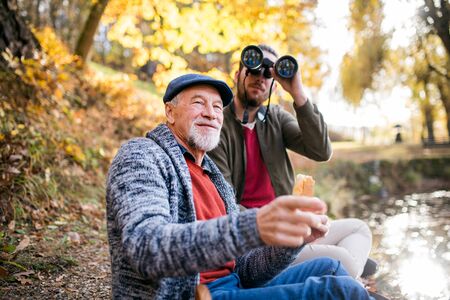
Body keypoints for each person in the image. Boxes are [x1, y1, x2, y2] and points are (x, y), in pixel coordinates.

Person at [106, 73, 374, 299]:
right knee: (337, 290)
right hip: (195, 293)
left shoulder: (215, 177)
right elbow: (146, 248)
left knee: (333, 267)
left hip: (232, 285)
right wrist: (254, 225)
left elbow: (245, 268)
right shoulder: (142, 155)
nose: (210, 114)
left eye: (216, 107)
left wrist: (292, 242)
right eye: (198, 103)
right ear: (170, 111)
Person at [208, 44, 374, 279]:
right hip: (253, 239)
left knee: (360, 229)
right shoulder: (218, 126)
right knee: (344, 258)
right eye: (254, 70)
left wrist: (298, 93)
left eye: (269, 73)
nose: (260, 78)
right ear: (238, 75)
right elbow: (224, 203)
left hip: (290, 229)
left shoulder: (274, 117)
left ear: (274, 83)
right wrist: (274, 222)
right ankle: (332, 269)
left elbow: (321, 150)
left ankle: (317, 267)